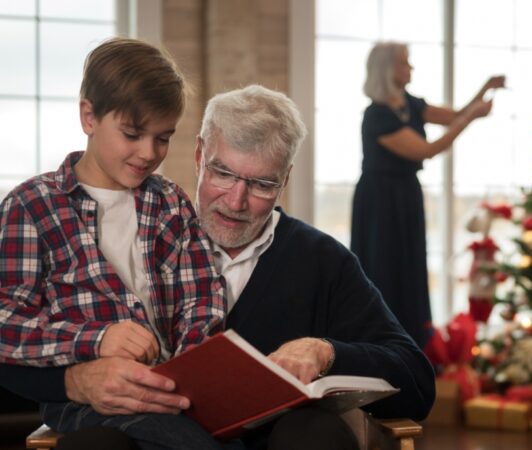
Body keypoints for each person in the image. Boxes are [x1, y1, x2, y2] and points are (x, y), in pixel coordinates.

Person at [0, 85, 435, 450]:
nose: (236, 200)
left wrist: (326, 350)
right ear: (198, 156)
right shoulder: (146, 234)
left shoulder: (321, 260)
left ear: (284, 180)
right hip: (145, 435)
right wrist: (74, 381)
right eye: (222, 173)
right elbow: (16, 345)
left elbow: (416, 382)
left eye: (262, 183)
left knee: (315, 432)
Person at [0, 38, 233, 450]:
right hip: (91, 400)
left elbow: (202, 300)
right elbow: (6, 325)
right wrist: (98, 339)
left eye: (163, 138)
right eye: (132, 133)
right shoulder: (32, 207)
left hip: (175, 389)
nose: (148, 153)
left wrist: (194, 363)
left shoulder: (171, 203)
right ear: (89, 116)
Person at [351, 41, 505, 349]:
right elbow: (428, 150)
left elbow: (454, 115)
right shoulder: (378, 116)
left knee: (410, 266)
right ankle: (383, 344)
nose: (411, 69)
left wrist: (485, 89)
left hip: (405, 194)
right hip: (382, 200)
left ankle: (412, 343)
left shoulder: (409, 104)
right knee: (385, 267)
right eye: (405, 63)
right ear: (388, 70)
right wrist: (472, 117)